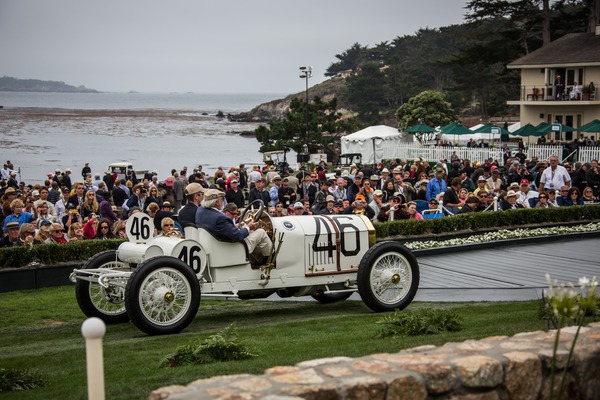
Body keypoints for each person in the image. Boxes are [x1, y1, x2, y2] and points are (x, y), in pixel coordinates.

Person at [195, 189, 272, 263]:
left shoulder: (200, 211)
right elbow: (238, 236)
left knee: (250, 232)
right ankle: (271, 259)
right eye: (222, 199)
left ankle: (258, 260)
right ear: (216, 203)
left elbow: (220, 228)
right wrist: (248, 227)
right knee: (261, 232)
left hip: (214, 244)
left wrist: (235, 226)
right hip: (232, 247)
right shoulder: (219, 218)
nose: (223, 201)